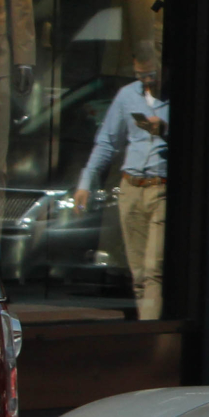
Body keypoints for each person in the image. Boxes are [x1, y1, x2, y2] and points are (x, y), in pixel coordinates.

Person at [77, 42, 168, 321]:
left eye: (151, 75)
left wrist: (163, 129)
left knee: (155, 270)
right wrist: (86, 181)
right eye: (140, 75)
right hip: (131, 187)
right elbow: (106, 141)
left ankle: (152, 335)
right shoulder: (127, 96)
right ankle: (147, 331)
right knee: (139, 273)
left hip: (161, 188)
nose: (146, 81)